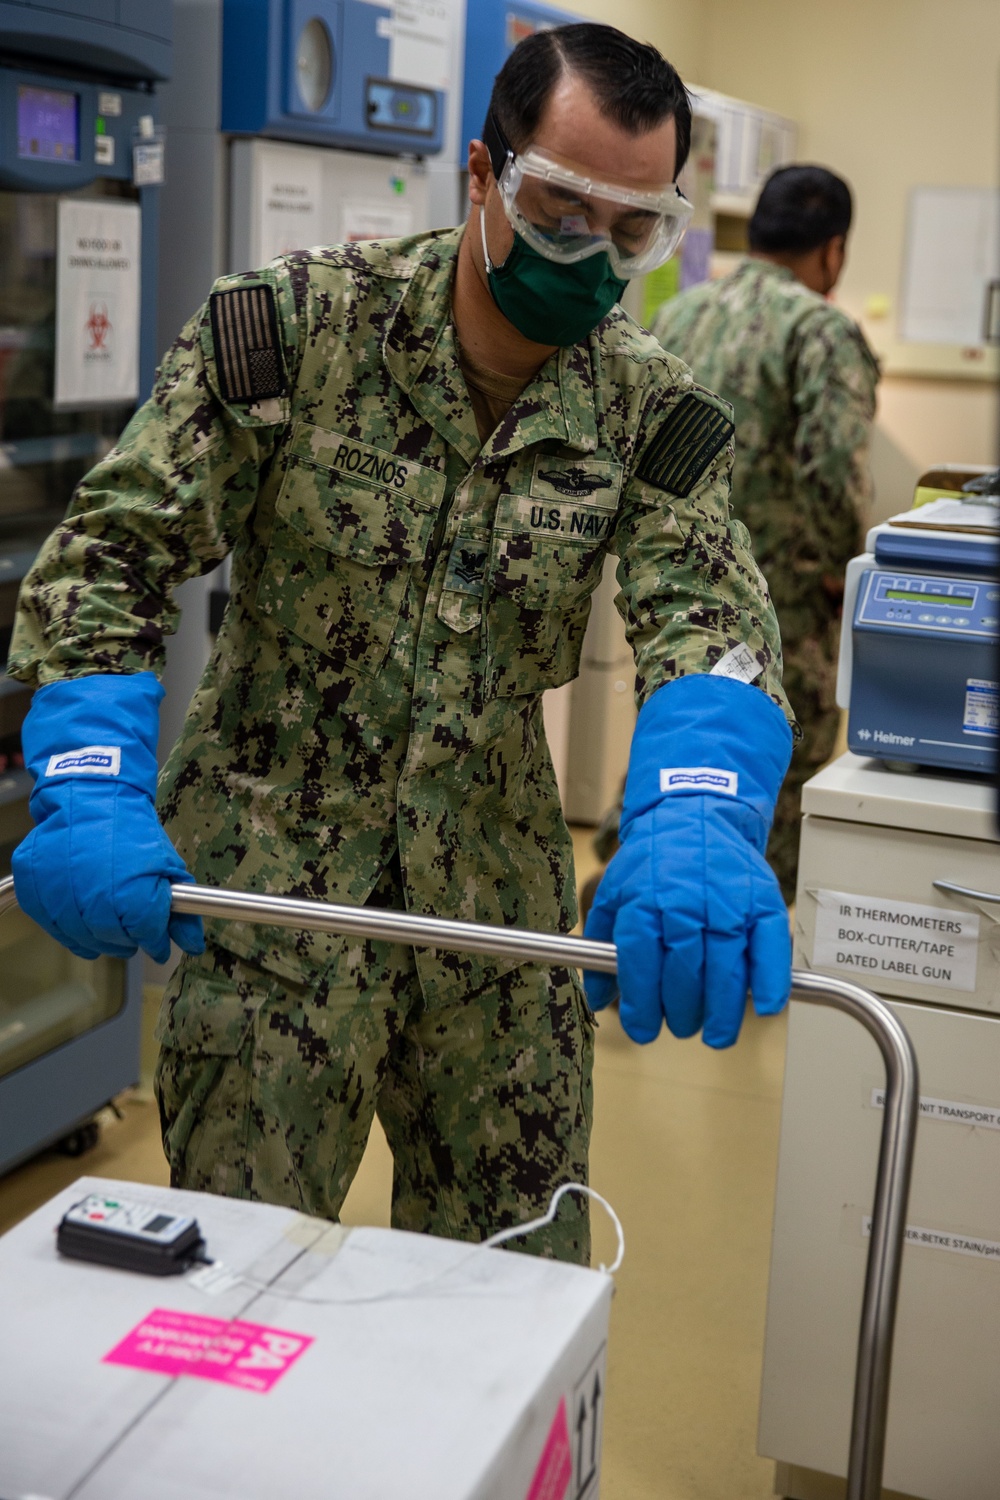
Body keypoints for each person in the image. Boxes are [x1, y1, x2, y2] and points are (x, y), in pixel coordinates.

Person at [7, 24, 795, 1266]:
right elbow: (112, 555)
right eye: (558, 207)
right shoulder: (290, 332)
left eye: (633, 228)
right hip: (266, 910)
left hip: (493, 926)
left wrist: (696, 811)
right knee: (230, 1293)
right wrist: (92, 785)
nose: (590, 254)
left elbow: (711, 618)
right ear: (481, 174)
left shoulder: (654, 411)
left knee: (510, 1299)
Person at [648, 164, 879, 899]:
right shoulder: (822, 328)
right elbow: (836, 466)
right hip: (787, 602)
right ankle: (749, 924)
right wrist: (846, 574)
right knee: (783, 761)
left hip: (679, 593)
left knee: (682, 747)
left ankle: (660, 895)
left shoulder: (682, 312)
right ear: (833, 250)